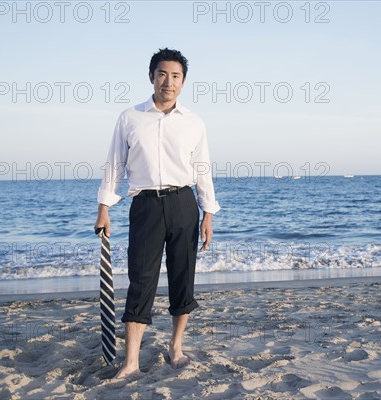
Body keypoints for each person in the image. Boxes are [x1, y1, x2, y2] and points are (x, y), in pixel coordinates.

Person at [94, 48, 220, 379]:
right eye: (163, 74)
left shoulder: (194, 122)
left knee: (183, 278)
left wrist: (208, 213)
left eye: (176, 76)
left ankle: (175, 348)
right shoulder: (130, 118)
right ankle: (131, 361)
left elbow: (203, 169)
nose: (169, 81)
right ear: (151, 76)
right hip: (145, 206)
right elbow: (114, 166)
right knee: (141, 281)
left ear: (184, 81)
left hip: (183, 205)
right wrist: (104, 208)